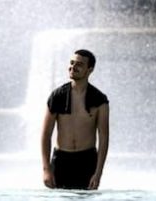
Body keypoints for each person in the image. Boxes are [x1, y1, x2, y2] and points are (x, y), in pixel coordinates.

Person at [41, 49, 109, 190]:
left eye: (79, 64)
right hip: (61, 160)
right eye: (72, 63)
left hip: (87, 160)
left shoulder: (99, 100)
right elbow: (46, 134)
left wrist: (98, 173)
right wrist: (46, 169)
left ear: (90, 69)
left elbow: (103, 137)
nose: (73, 67)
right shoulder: (57, 96)